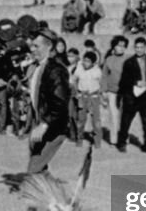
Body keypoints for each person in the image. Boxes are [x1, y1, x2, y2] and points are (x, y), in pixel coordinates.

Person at [26, 28, 71, 173]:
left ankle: (36, 193)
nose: (32, 49)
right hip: (40, 123)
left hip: (53, 127)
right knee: (40, 168)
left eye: (36, 46)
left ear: (49, 46)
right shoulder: (37, 67)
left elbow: (60, 103)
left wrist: (44, 125)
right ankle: (52, 193)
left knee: (33, 169)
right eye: (32, 46)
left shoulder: (55, 70)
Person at [116, 37, 146, 154]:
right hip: (132, 97)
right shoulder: (128, 62)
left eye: (141, 47)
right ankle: (122, 142)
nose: (139, 50)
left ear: (145, 47)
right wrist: (135, 82)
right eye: (137, 47)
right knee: (126, 121)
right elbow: (123, 81)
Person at [102, 36, 128, 146]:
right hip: (112, 91)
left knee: (124, 116)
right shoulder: (109, 59)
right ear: (114, 46)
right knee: (113, 115)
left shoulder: (128, 60)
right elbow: (104, 75)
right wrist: (103, 90)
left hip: (125, 92)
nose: (121, 48)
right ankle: (114, 139)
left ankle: (124, 138)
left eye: (123, 46)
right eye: (118, 45)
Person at [73, 50, 103, 147]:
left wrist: (101, 96)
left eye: (88, 61)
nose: (86, 63)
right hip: (82, 97)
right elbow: (73, 81)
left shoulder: (97, 71)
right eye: (84, 61)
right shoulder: (79, 69)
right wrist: (76, 92)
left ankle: (97, 141)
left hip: (94, 97)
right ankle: (79, 138)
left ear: (93, 63)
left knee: (96, 121)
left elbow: (101, 84)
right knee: (81, 120)